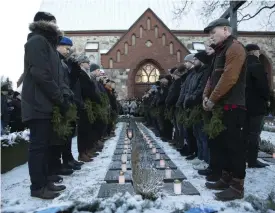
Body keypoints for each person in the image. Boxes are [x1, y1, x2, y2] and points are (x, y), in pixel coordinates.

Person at [21, 11, 67, 199]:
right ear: (46, 24)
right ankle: (37, 187)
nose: (57, 26)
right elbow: (41, 74)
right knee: (38, 147)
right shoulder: (37, 42)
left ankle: (46, 179)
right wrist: (59, 97)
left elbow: (57, 76)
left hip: (46, 102)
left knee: (46, 145)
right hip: (38, 103)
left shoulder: (47, 44)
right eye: (54, 24)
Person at [203, 18, 247, 201]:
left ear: (225, 30)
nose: (210, 37)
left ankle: (237, 187)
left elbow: (229, 78)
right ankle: (226, 178)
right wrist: (206, 96)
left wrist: (212, 99)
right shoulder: (219, 52)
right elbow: (212, 78)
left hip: (232, 105)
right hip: (219, 106)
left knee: (234, 146)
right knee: (223, 145)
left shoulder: (235, 48)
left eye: (213, 32)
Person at [244, 44, 270, 168]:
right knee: (254, 133)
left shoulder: (242, 66)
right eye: (258, 52)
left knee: (246, 133)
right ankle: (252, 160)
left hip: (243, 105)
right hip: (256, 105)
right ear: (254, 52)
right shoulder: (257, 66)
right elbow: (263, 87)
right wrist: (267, 99)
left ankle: (244, 157)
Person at [176, 54, 198, 160]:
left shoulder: (193, 73)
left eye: (186, 62)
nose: (185, 64)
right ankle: (190, 149)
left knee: (193, 131)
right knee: (186, 130)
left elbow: (190, 90)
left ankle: (195, 151)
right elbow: (184, 91)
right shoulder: (189, 74)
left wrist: (186, 100)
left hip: (191, 105)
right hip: (185, 104)